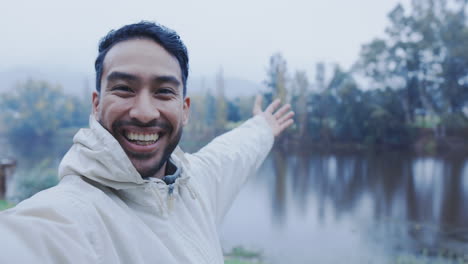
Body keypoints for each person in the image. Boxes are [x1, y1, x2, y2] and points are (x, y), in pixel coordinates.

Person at [0, 21, 294, 263]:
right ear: (96, 104)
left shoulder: (193, 187)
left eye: (164, 91)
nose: (144, 112)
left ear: (185, 109)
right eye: (124, 89)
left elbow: (232, 153)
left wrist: (262, 127)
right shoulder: (70, 217)